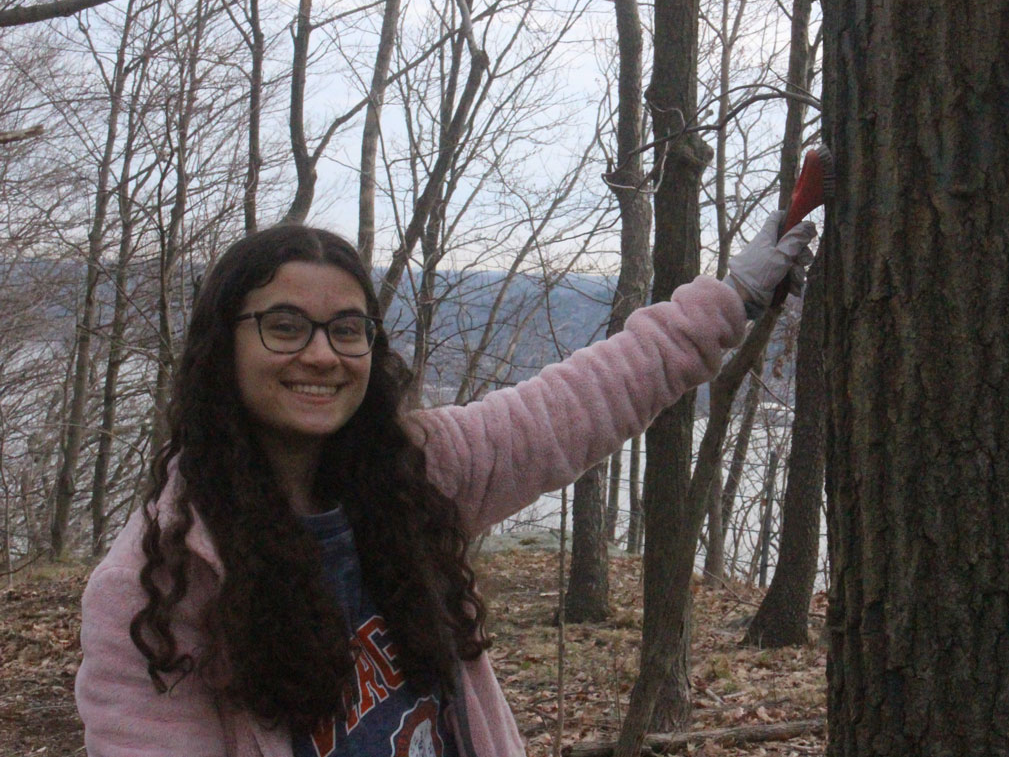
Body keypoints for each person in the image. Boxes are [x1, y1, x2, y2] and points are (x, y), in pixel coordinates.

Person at [74, 214, 816, 757]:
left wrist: (734, 298)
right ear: (222, 345)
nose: (322, 354)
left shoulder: (415, 474)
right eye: (284, 326)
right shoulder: (156, 583)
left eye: (347, 328)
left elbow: (583, 400)